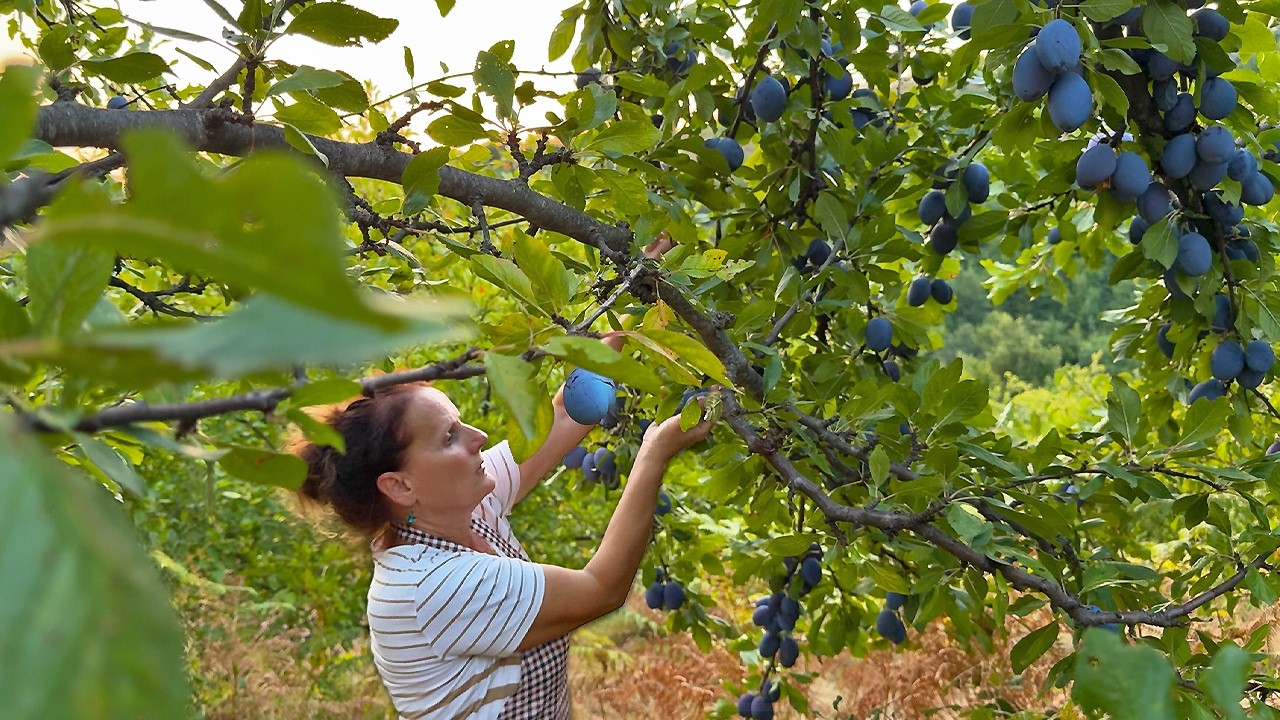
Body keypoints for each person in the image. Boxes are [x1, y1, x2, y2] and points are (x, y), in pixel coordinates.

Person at [293, 225, 701, 720]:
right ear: (400, 485)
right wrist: (655, 453)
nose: (478, 438)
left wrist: (632, 298)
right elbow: (602, 589)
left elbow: (567, 415)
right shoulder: (430, 587)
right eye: (449, 437)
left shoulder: (460, 506)